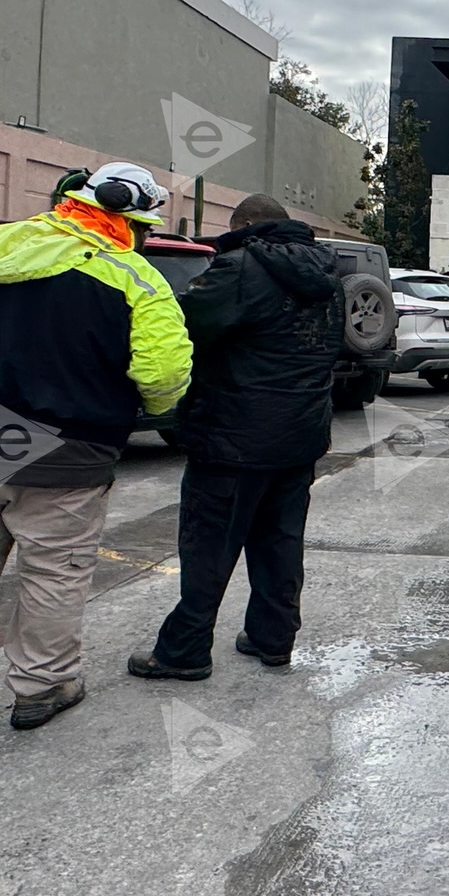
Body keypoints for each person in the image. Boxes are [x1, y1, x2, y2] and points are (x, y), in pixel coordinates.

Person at [0, 162, 191, 740]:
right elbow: (164, 369)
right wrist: (155, 407)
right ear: (130, 220)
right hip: (68, 446)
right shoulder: (132, 275)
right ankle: (42, 686)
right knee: (55, 570)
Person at [129, 193, 343, 681]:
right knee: (280, 539)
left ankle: (184, 650)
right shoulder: (333, 275)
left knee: (209, 544)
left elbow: (186, 327)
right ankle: (274, 638)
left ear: (244, 224)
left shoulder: (239, 268)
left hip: (233, 434)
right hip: (300, 434)